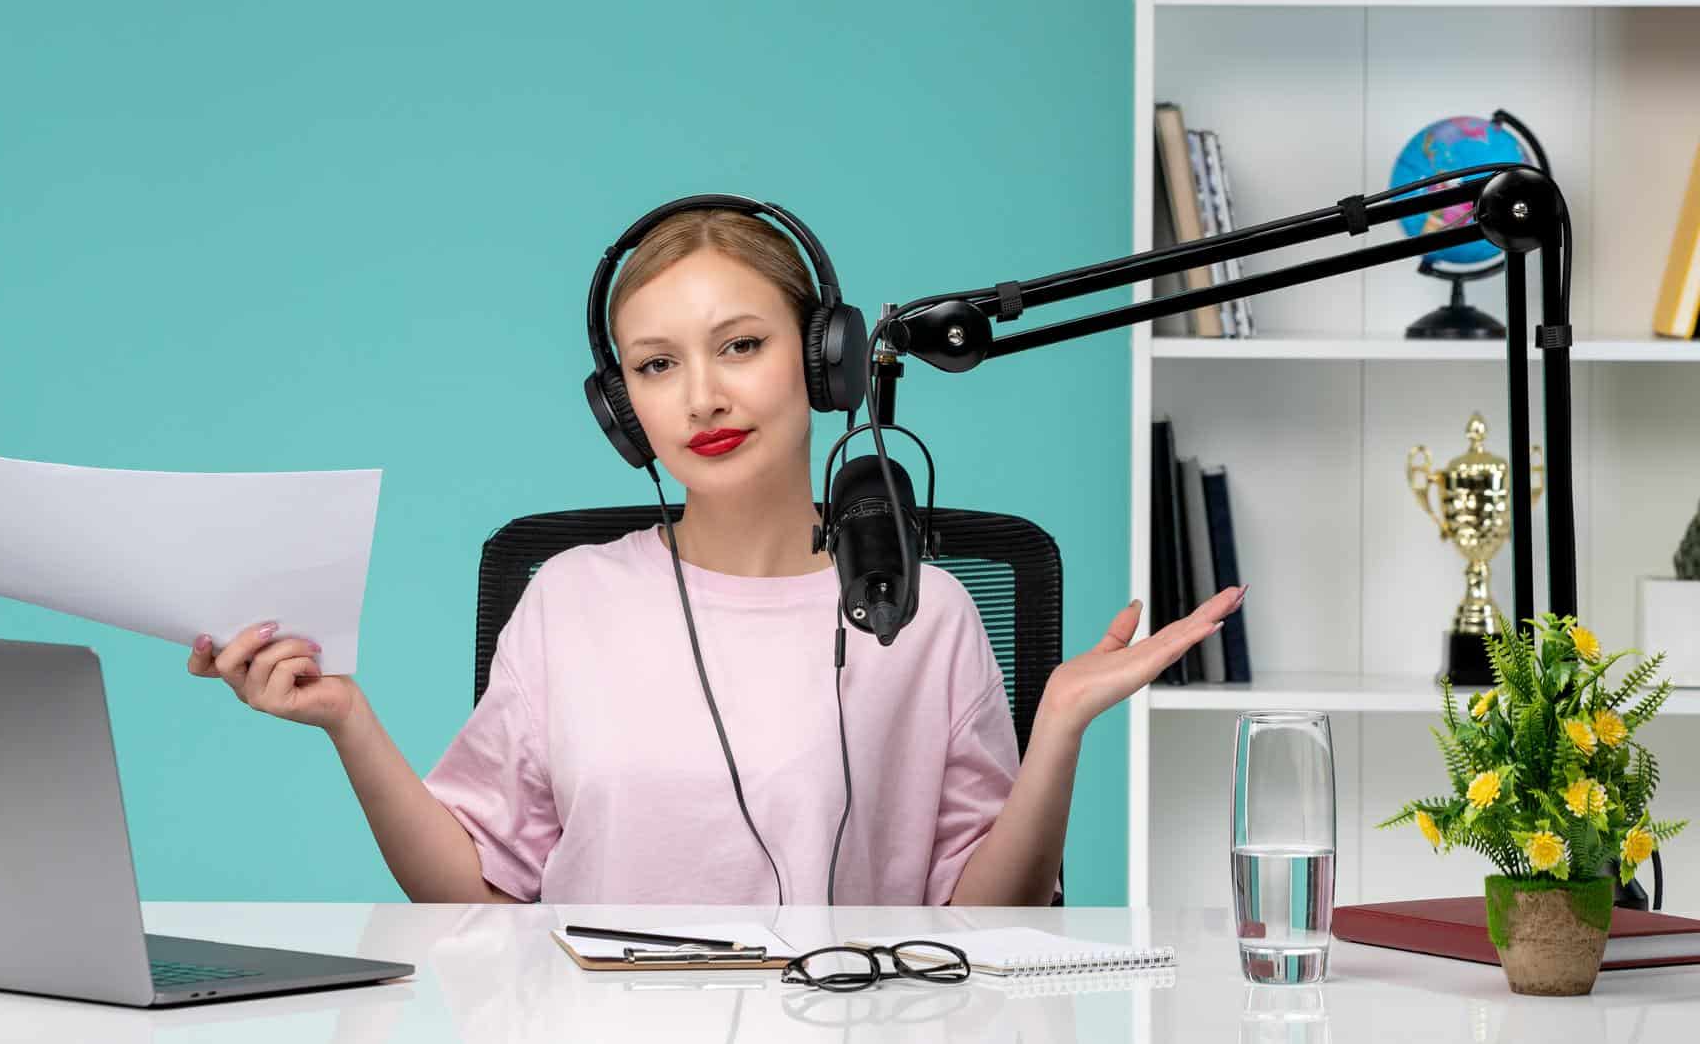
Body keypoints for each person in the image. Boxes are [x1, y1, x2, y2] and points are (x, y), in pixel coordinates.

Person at [186, 206, 1241, 905]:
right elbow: (473, 897)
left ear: (823, 361)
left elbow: (981, 923)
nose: (702, 397)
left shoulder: (920, 609)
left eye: (740, 345)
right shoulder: (567, 599)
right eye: (656, 365)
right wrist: (348, 721)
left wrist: (1055, 729)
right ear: (623, 409)